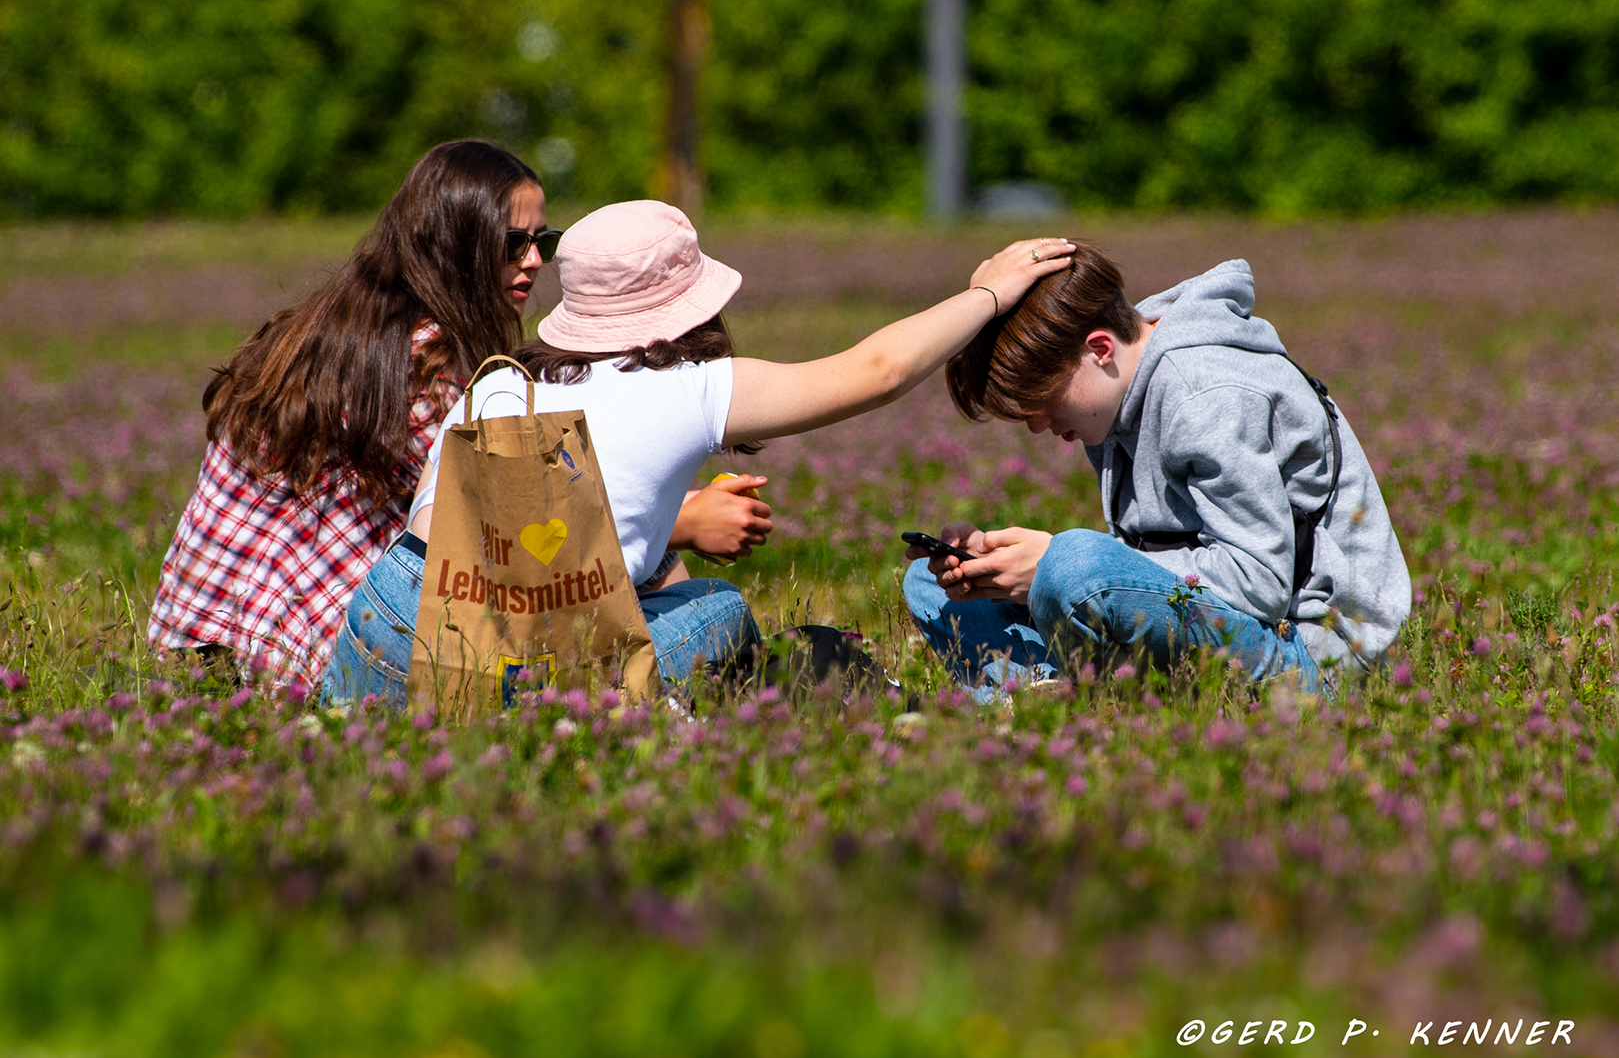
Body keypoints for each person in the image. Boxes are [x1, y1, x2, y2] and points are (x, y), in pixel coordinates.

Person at [324, 200, 1074, 706]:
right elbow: (875, 372)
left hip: (382, 627)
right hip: (501, 667)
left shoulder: (505, 379)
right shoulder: (680, 385)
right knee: (716, 607)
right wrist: (988, 296)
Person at [148, 141, 769, 690]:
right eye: (511, 243)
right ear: (456, 245)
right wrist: (680, 521)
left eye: (542, 242)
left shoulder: (340, 333)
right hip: (323, 655)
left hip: (212, 642)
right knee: (711, 611)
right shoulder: (432, 365)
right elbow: (509, 546)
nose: (532, 261)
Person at [904, 247, 1410, 700]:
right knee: (933, 586)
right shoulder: (1115, 398)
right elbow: (1150, 565)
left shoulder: (1204, 394)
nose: (1037, 426)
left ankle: (1049, 700)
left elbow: (1259, 585)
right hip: (1231, 626)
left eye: (1042, 402)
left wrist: (1051, 568)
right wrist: (1011, 572)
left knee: (1073, 566)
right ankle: (1042, 697)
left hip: (1309, 653)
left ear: (1099, 349)